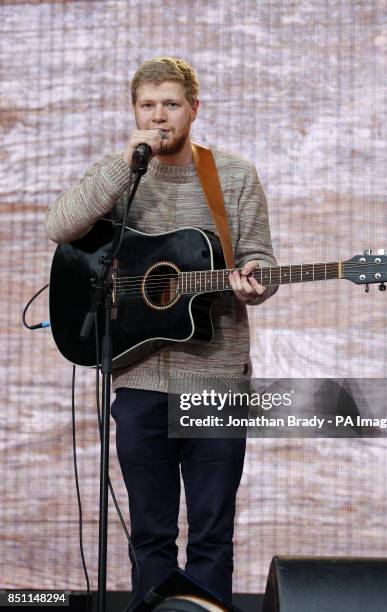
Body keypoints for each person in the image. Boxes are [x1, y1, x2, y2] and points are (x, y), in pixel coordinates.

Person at [45, 56, 277, 607]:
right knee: (149, 535)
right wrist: (122, 165)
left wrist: (256, 284)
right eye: (147, 105)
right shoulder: (121, 174)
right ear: (134, 110)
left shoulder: (234, 175)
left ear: (194, 109)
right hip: (140, 375)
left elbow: (260, 263)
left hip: (216, 378)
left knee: (212, 535)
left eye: (170, 105)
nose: (159, 117)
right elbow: (60, 227)